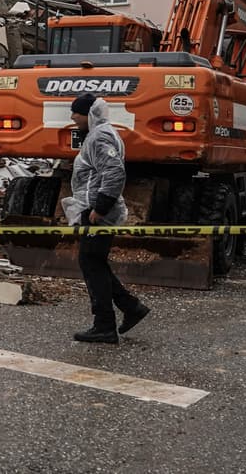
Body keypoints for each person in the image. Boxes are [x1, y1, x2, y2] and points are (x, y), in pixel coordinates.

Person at [65, 93, 150, 344]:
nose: (72, 117)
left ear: (89, 114)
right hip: (95, 209)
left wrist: (100, 208)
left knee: (91, 263)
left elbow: (113, 172)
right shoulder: (99, 134)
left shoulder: (100, 136)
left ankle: (105, 324)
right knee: (94, 262)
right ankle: (131, 308)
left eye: (76, 113)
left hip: (99, 212)